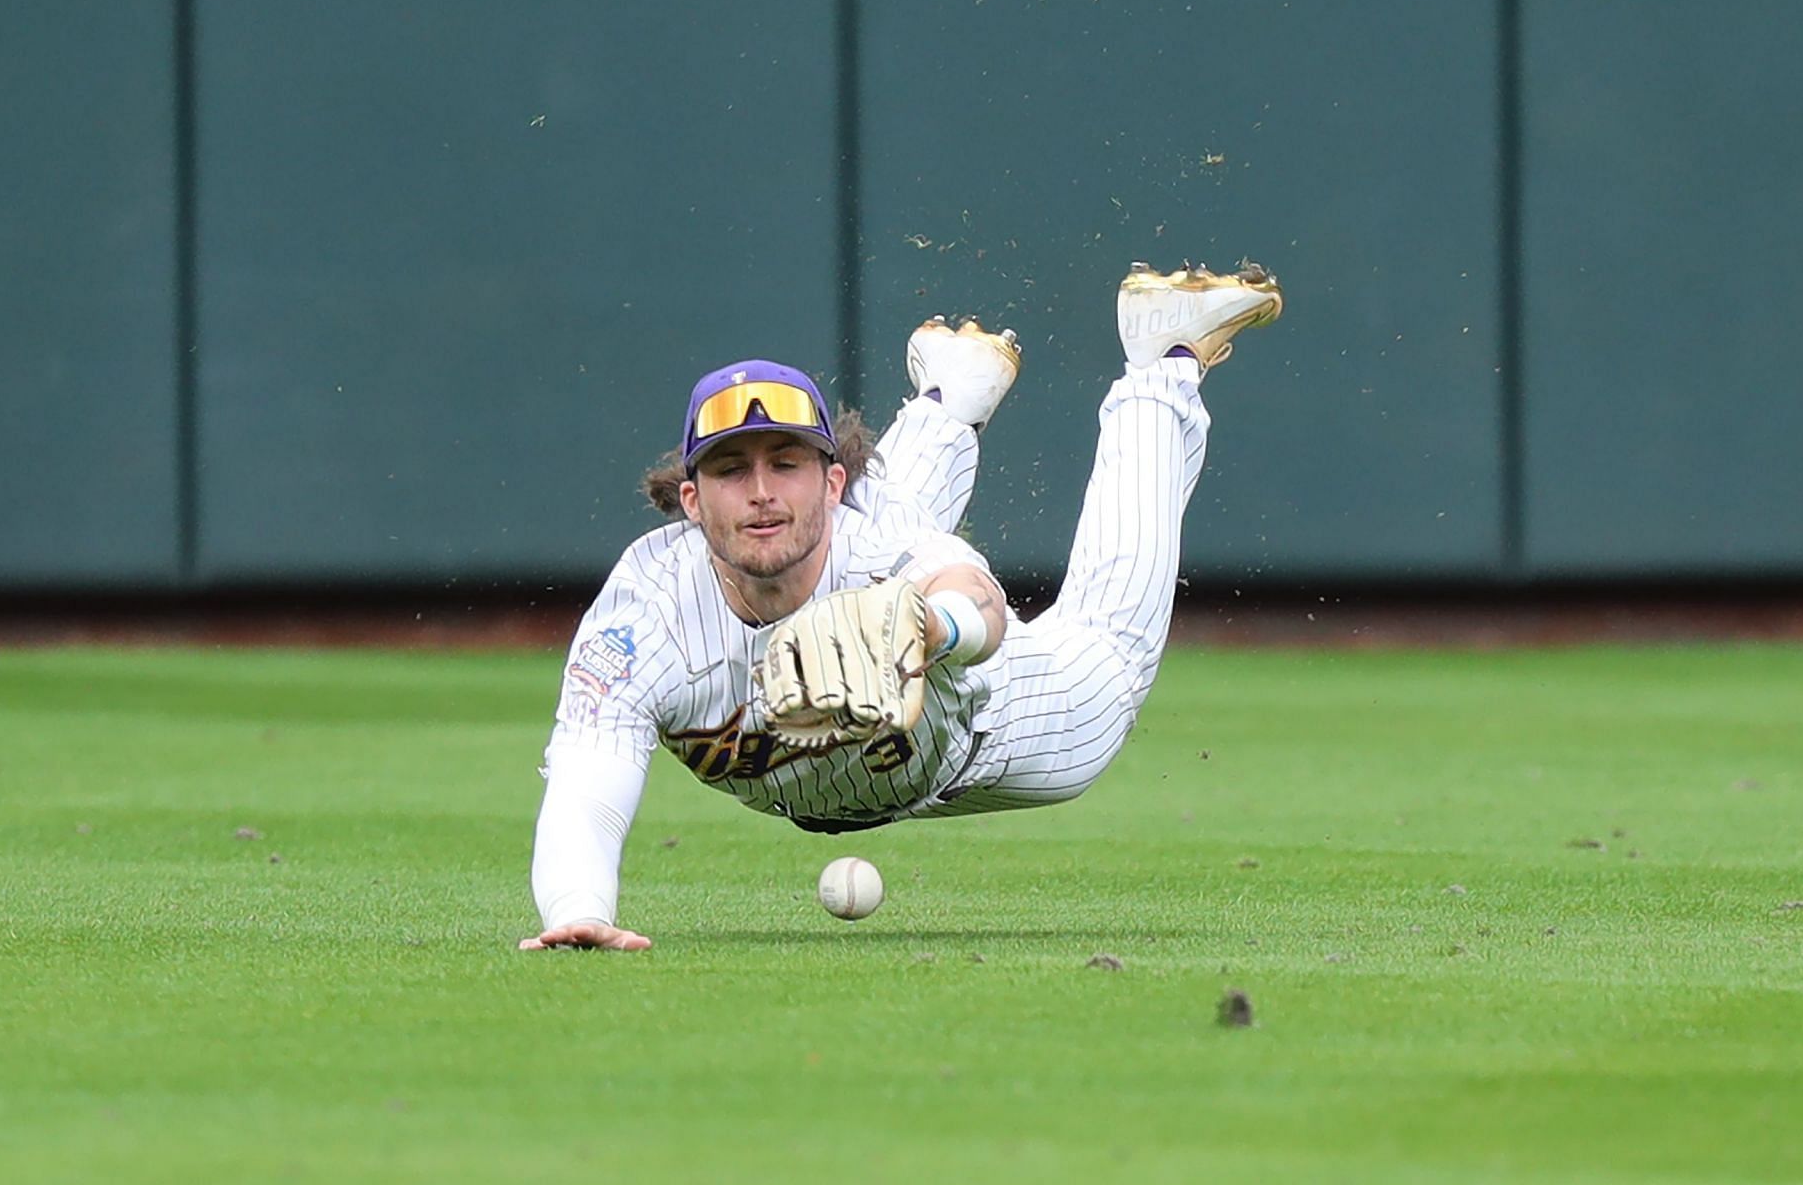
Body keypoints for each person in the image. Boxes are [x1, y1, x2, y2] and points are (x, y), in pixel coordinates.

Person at [521, 259, 1284, 951]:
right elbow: (589, 771)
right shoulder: (646, 608)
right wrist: (577, 907)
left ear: (831, 479)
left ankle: (1161, 367)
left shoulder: (879, 537)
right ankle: (954, 394)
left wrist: (930, 624)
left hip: (982, 729)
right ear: (690, 499)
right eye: (730, 469)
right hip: (840, 759)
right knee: (841, 537)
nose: (759, 490)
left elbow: (978, 603)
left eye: (786, 462)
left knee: (1106, 661)